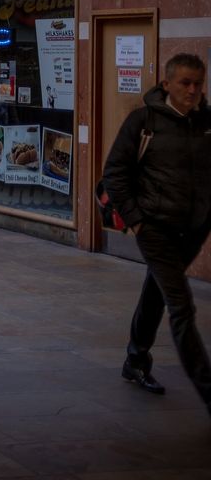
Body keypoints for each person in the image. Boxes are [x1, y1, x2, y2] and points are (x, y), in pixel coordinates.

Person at [102, 52, 211, 411]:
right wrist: (136, 219)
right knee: (181, 305)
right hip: (154, 228)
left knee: (157, 291)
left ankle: (135, 360)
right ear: (167, 84)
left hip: (192, 229)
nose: (193, 90)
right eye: (185, 83)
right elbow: (115, 172)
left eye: (198, 83)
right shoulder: (143, 121)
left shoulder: (206, 123)